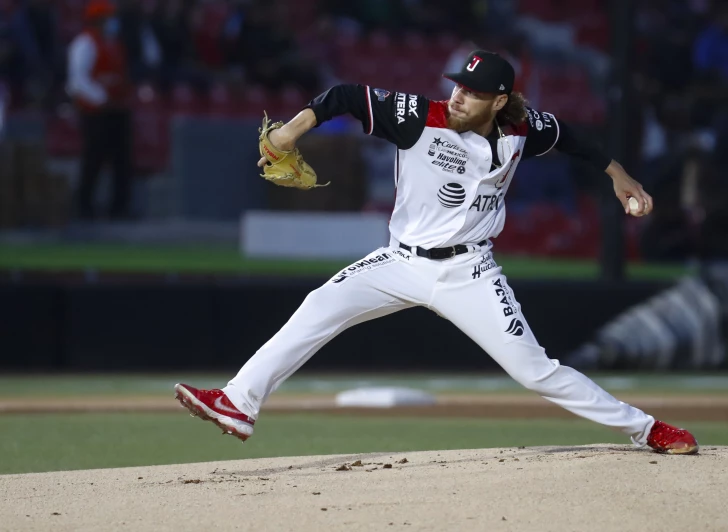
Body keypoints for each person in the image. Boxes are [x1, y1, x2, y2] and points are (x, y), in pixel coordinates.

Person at [174, 50, 699, 455]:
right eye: (458, 87)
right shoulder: (419, 117)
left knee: (534, 370)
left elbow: (574, 139)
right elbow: (347, 96)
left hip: (470, 270)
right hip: (399, 261)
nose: (458, 98)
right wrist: (291, 130)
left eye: (472, 93)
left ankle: (646, 429)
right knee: (319, 306)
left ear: (498, 101)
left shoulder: (520, 128)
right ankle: (239, 403)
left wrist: (619, 177)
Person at [65, 0, 134, 220]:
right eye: (108, 17)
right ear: (97, 19)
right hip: (95, 112)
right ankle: (84, 206)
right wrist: (101, 97)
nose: (112, 22)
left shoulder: (114, 43)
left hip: (117, 110)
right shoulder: (84, 43)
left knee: (122, 159)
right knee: (93, 159)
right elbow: (77, 81)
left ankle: (119, 207)